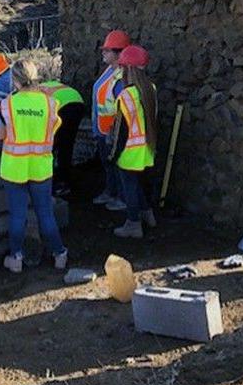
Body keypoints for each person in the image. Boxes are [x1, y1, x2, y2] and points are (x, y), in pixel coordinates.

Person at [0, 60, 68, 273]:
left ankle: (16, 258)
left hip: (14, 168)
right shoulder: (49, 103)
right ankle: (59, 254)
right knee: (45, 214)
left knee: (18, 216)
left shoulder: (6, 104)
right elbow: (53, 129)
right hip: (41, 167)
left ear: (14, 80)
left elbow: (0, 134)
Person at [109, 45, 157, 239]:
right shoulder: (150, 89)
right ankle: (148, 214)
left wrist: (113, 153)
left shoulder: (126, 95)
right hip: (146, 147)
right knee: (137, 183)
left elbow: (121, 130)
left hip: (129, 149)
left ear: (128, 69)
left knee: (129, 186)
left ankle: (133, 223)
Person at [92, 29, 130, 211]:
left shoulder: (122, 77)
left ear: (118, 53)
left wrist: (116, 131)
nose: (103, 53)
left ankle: (122, 198)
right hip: (103, 128)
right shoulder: (109, 70)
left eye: (107, 50)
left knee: (118, 165)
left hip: (114, 131)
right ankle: (111, 191)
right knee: (108, 164)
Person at [38, 80, 84, 196]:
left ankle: (58, 182)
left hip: (64, 107)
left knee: (55, 146)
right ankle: (64, 180)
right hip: (78, 101)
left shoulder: (33, 94)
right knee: (67, 145)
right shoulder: (48, 84)